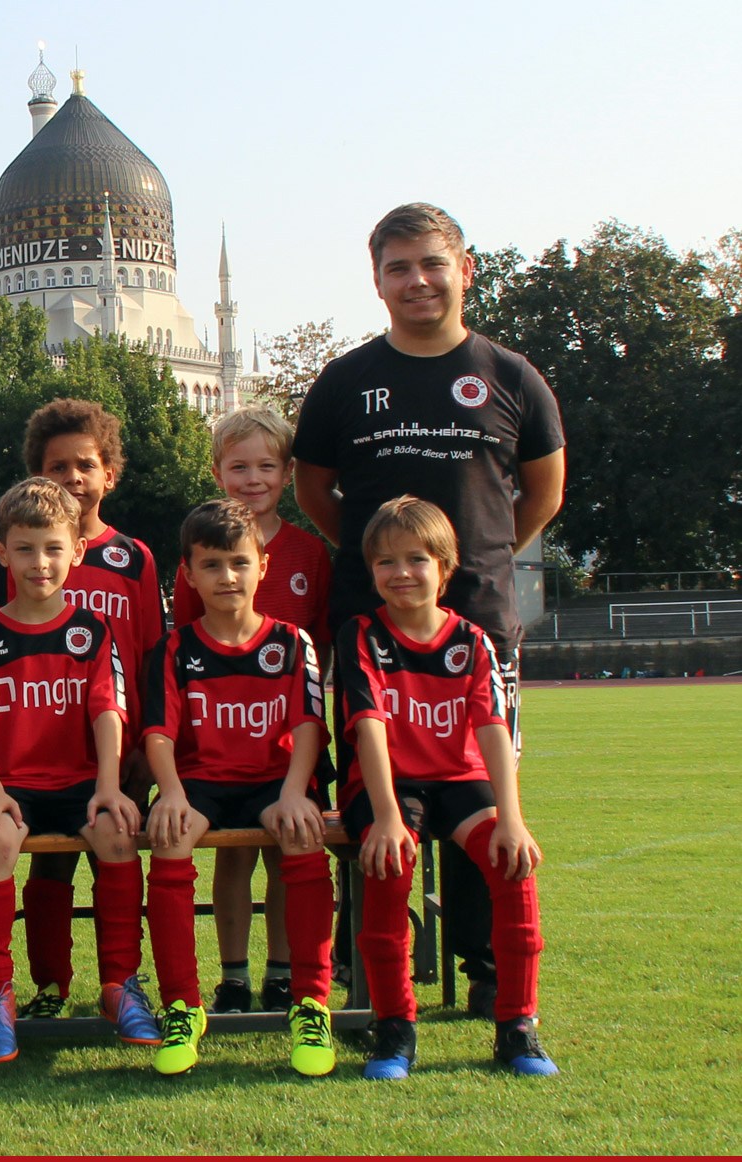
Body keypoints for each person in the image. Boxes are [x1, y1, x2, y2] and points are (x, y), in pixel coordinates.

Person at [292, 202, 566, 1015]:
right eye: (399, 267)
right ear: (377, 281)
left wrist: (465, 564)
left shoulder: (511, 376)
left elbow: (543, 493)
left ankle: (486, 968)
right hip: (370, 632)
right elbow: (315, 491)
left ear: (464, 270)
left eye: (432, 263)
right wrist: (384, 566)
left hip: (479, 621)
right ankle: (369, 962)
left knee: (481, 789)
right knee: (373, 792)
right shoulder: (346, 381)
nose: (418, 281)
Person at [336, 496, 556, 1078]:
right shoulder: (362, 634)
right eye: (385, 561)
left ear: (445, 566)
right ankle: (395, 1028)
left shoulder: (472, 640)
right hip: (389, 785)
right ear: (370, 569)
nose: (401, 572)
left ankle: (517, 1025)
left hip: (459, 780)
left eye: (416, 559)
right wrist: (386, 816)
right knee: (390, 863)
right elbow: (369, 729)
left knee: (512, 864)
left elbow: (493, 731)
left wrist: (511, 819)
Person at [0, 478, 158, 1065]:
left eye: (52, 549)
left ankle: (120, 984)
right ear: (2, 553)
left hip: (78, 782)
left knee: (117, 831)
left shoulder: (91, 630)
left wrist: (110, 786)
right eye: (25, 549)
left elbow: (107, 710)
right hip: (8, 784)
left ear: (77, 551)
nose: (39, 563)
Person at [142, 499, 334, 1077]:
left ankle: (311, 1002)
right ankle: (182, 1005)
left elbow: (309, 726)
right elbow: (158, 733)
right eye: (212, 565)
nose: (227, 576)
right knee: (171, 837)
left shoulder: (293, 642)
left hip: (275, 780)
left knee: (302, 835)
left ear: (262, 566)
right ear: (189, 574)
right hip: (201, 782)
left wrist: (297, 793)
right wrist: (171, 793)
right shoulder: (175, 649)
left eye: (239, 562)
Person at [0, 399, 165, 1022]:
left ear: (109, 474)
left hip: (116, 751)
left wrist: (144, 745)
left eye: (85, 465)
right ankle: (50, 984)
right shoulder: (29, 555)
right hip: (42, 747)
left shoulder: (133, 557)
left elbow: (151, 657)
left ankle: (124, 983)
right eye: (57, 466)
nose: (72, 477)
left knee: (114, 852)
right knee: (50, 864)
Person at [170, 405, 333, 1016]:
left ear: (287, 473)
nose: (254, 479)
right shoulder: (200, 549)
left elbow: (319, 646)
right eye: (239, 467)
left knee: (289, 846)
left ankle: (284, 975)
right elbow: (186, 648)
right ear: (218, 473)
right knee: (233, 853)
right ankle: (233, 978)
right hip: (220, 743)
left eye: (267, 466)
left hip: (288, 745)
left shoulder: (308, 553)